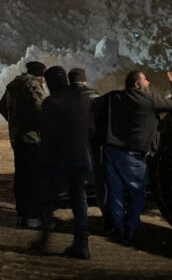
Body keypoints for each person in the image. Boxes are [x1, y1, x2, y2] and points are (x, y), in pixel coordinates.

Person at [95, 70, 172, 247]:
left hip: (111, 153)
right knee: (137, 195)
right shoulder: (147, 100)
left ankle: (118, 230)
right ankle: (131, 231)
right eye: (145, 80)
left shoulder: (114, 97)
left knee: (116, 194)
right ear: (137, 85)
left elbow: (95, 105)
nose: (148, 83)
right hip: (133, 157)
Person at [31, 66, 94, 259]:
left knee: (48, 201)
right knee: (79, 201)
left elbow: (47, 134)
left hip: (58, 160)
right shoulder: (83, 98)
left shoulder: (52, 103)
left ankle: (44, 241)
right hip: (81, 158)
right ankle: (82, 244)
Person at [0, 61, 47, 229]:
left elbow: (1, 106)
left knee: (21, 176)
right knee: (33, 177)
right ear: (40, 75)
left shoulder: (14, 85)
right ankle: (32, 216)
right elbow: (41, 111)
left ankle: (21, 214)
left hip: (16, 138)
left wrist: (14, 122)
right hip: (32, 138)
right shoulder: (33, 86)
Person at [68, 68, 106, 230]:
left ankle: (81, 221)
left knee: (76, 184)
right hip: (92, 143)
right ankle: (107, 216)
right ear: (84, 80)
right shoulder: (94, 94)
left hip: (72, 145)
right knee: (99, 181)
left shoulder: (63, 96)